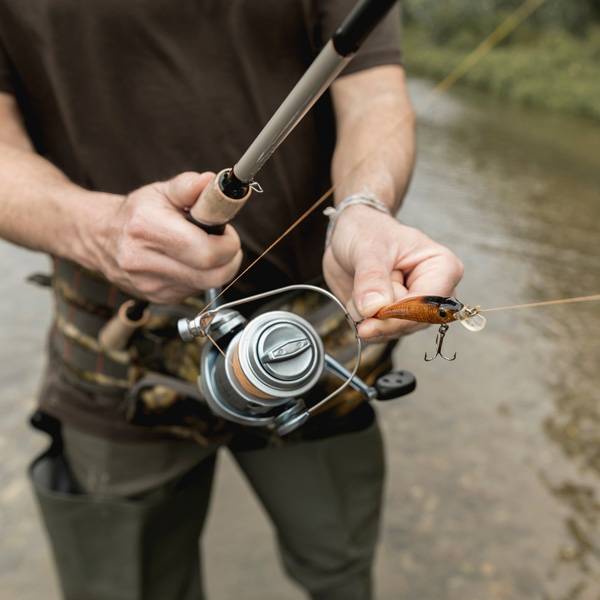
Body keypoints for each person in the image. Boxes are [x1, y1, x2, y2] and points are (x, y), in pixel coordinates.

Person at [0, 1, 463, 599]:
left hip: (313, 346)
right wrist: (100, 229)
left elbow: (374, 97)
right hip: (113, 360)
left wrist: (363, 208)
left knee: (340, 571)